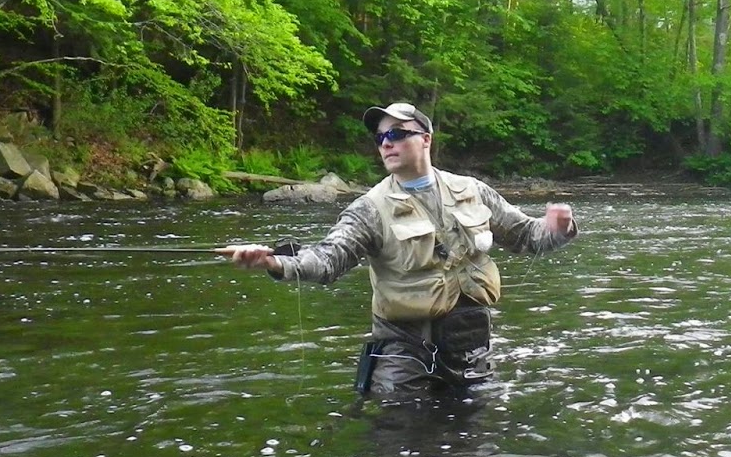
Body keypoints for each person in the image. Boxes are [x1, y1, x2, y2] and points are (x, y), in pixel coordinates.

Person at [216, 101, 578, 401]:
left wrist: (558, 228)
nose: (386, 143)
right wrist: (273, 261)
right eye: (380, 138)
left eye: (396, 134)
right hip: (404, 359)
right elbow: (328, 259)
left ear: (426, 139)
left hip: (472, 353)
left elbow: (529, 236)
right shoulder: (370, 208)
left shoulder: (473, 190)